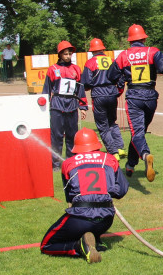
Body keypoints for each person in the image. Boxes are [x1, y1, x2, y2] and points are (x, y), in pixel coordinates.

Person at [40, 128, 129, 263]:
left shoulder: (68, 164)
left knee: (46, 245)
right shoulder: (110, 159)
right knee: (91, 223)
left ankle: (78, 247)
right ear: (96, 144)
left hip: (80, 218)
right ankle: (96, 240)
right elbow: (121, 191)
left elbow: (70, 198)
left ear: (76, 147)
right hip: (106, 219)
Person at [105, 24, 163, 182]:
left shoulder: (124, 55)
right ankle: (130, 164)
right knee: (139, 133)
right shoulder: (153, 51)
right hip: (151, 97)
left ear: (130, 41)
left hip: (134, 97)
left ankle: (145, 154)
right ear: (143, 38)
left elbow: (110, 76)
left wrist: (123, 76)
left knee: (137, 134)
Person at [42, 40, 87, 169]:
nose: (68, 56)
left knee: (72, 135)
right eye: (65, 54)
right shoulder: (53, 69)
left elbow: (80, 90)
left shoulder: (76, 69)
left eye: (70, 54)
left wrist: (82, 107)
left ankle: (71, 161)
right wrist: (44, 108)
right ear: (60, 54)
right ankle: (55, 163)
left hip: (72, 105)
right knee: (56, 136)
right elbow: (46, 89)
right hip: (57, 105)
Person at [80, 38, 125, 159]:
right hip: (111, 93)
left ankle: (113, 152)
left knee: (102, 126)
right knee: (112, 123)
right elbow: (121, 78)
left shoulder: (90, 63)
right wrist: (118, 91)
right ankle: (120, 148)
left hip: (99, 95)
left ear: (92, 51)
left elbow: (86, 83)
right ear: (103, 49)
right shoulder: (111, 60)